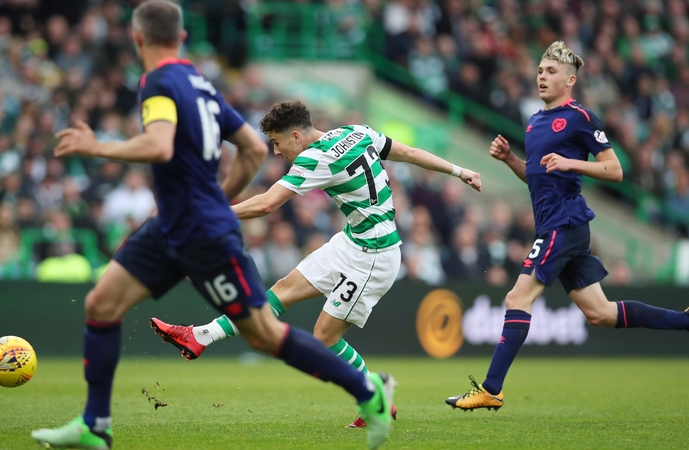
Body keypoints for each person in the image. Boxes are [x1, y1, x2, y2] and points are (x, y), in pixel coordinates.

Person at [30, 3, 395, 450]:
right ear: (182, 39)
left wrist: (99, 145)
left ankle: (368, 391)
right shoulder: (201, 83)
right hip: (173, 224)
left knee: (263, 333)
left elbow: (160, 143)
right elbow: (251, 150)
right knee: (101, 303)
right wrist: (219, 200)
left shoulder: (158, 82)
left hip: (199, 230)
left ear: (137, 38)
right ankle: (95, 425)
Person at [150, 99, 482, 427]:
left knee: (324, 337)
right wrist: (458, 170)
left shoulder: (314, 159)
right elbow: (408, 153)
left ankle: (376, 398)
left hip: (374, 255)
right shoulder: (357, 132)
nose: (277, 153)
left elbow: (267, 204)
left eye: (277, 143)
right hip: (352, 242)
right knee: (280, 292)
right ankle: (200, 335)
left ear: (295, 136)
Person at [445, 41, 689, 413]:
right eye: (540, 71)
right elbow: (538, 177)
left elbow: (616, 169)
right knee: (601, 313)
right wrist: (512, 158)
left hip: (565, 221)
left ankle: (492, 389)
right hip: (557, 223)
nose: (542, 77)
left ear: (570, 80)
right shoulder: (533, 122)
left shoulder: (581, 117)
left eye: (551, 72)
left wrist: (573, 164)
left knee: (517, 299)